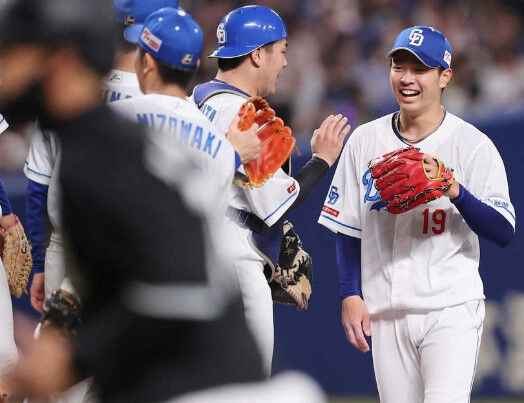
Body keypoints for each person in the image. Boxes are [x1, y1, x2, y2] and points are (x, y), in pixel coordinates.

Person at [0, 0, 265, 400]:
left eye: (13, 54)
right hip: (198, 366)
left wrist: (70, 362)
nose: (4, 71)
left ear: (61, 61)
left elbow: (178, 300)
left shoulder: (99, 158)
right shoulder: (110, 142)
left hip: (202, 381)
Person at [318, 26, 515, 402]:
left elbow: (503, 231)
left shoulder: (473, 145)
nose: (407, 78)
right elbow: (347, 226)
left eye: (420, 69)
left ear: (445, 77)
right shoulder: (365, 140)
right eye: (399, 65)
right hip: (386, 313)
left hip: (450, 307)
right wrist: (350, 293)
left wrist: (455, 190)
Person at [192, 5, 351, 375]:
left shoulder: (194, 100)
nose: (284, 62)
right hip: (236, 258)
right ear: (257, 54)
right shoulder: (249, 115)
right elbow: (278, 205)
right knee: (251, 381)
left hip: (196, 250)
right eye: (281, 50)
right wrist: (322, 160)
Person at [25, 0, 177, 314]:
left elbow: (38, 183)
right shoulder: (175, 103)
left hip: (64, 250)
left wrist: (41, 261)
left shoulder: (63, 89)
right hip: (144, 257)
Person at [110, 7, 261, 234]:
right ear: (196, 66)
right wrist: (232, 155)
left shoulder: (113, 117)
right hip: (179, 261)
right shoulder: (215, 138)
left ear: (147, 61)